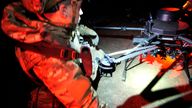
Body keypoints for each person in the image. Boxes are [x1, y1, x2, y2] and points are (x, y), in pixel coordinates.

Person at [1, 0, 106, 107]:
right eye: (78, 7)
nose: (81, 12)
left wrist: (91, 54)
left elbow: (73, 44)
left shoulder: (52, 24)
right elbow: (87, 104)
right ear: (63, 11)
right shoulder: (49, 57)